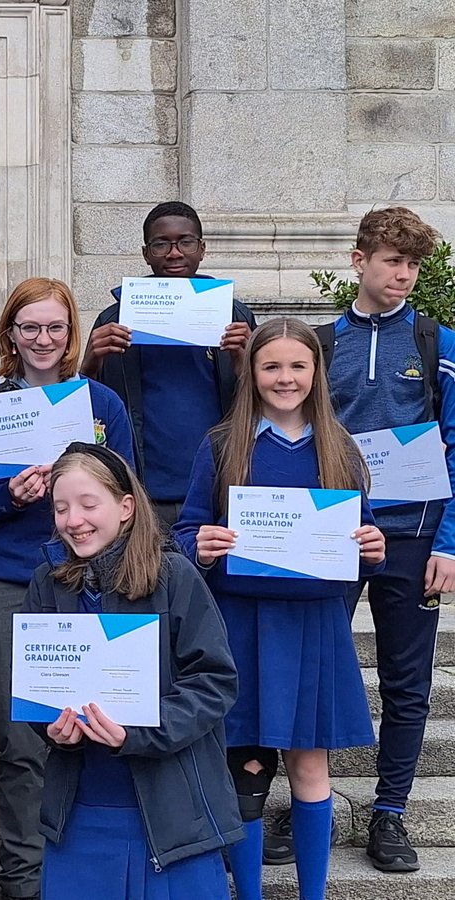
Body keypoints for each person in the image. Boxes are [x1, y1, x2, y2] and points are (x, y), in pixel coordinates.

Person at [173, 318, 386, 900]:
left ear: (316, 373)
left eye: (298, 366)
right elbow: (186, 530)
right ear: (251, 373)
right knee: (244, 768)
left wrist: (372, 549)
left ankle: (313, 894)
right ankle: (247, 893)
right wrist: (201, 545)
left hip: (312, 626)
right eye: (272, 366)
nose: (285, 378)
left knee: (309, 767)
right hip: (240, 626)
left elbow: (360, 540)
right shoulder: (223, 444)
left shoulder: (339, 447)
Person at [0, 277, 134, 900]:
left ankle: (83, 865)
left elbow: (129, 492)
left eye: (56, 327)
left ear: (72, 334)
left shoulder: (101, 404)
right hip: (10, 577)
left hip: (92, 581)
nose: (43, 339)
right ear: (10, 333)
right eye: (30, 327)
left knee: (97, 723)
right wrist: (7, 496)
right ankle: (24, 878)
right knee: (22, 737)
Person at [29, 442, 242, 899]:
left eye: (89, 504)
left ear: (126, 506)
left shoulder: (175, 575)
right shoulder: (46, 583)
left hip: (171, 810)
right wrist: (51, 726)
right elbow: (34, 684)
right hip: (80, 809)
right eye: (61, 507)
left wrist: (140, 731)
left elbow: (215, 682)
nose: (74, 520)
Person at [311, 206, 455, 873]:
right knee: (313, 668)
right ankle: (308, 799)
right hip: (328, 536)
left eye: (412, 265)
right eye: (392, 261)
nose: (402, 275)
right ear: (358, 261)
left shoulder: (437, 343)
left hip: (413, 538)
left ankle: (390, 811)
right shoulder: (321, 345)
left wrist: (448, 544)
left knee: (406, 682)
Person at [80, 201, 255, 526]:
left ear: (202, 249)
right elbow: (90, 413)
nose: (174, 253)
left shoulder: (235, 318)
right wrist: (88, 365)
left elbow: (268, 405)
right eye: (162, 243)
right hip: (143, 494)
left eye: (185, 241)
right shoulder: (114, 321)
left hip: (218, 490)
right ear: (146, 253)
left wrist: (244, 365)